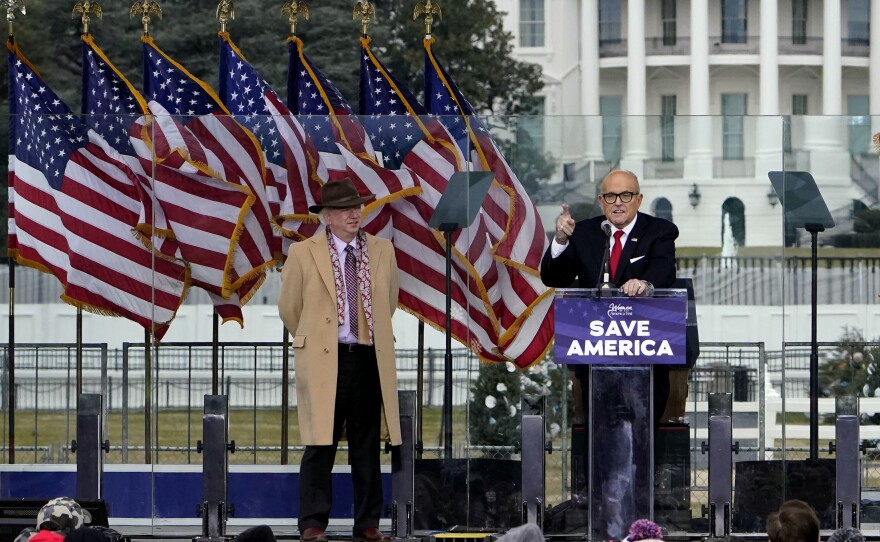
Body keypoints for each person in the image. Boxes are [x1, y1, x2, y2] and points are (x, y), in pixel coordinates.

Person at [540, 169, 679, 539]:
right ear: (601, 201)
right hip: (596, 365)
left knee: (641, 448)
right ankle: (602, 526)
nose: (618, 203)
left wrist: (645, 284)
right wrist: (559, 241)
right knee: (601, 447)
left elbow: (664, 269)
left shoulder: (659, 231)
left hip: (645, 365)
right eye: (610, 197)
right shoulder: (586, 232)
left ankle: (643, 526)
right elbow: (553, 277)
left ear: (638, 199)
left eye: (626, 196)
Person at [278, 178, 401, 542]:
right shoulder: (303, 253)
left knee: (366, 445)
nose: (355, 214)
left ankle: (367, 523)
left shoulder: (382, 250)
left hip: (366, 358)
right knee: (320, 444)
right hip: (324, 359)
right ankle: (312, 522)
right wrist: (317, 337)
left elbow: (388, 302)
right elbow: (290, 308)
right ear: (327, 217)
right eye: (346, 209)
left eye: (357, 207)